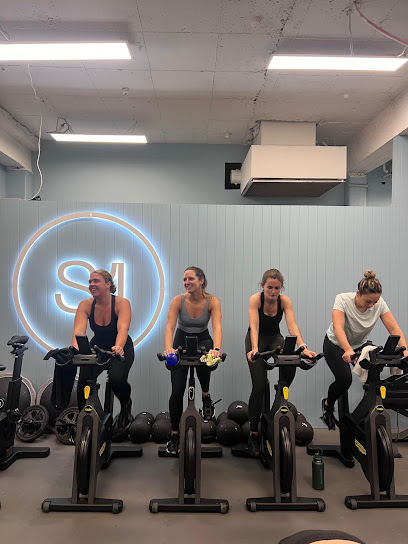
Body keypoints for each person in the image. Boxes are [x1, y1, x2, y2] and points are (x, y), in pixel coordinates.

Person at [322, 270, 408, 429]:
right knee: (344, 380)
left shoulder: (379, 303)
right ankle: (328, 404)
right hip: (335, 344)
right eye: (368, 301)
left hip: (359, 344)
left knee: (373, 379)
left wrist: (406, 353)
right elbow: (339, 328)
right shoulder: (342, 300)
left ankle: (359, 423)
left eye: (375, 302)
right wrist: (347, 350)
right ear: (358, 294)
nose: (371, 306)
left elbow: (394, 329)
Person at [246, 268, 316, 457]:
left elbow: (292, 325)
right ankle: (253, 433)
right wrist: (254, 349)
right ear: (262, 286)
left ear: (281, 288)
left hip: (274, 337)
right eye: (269, 287)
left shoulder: (284, 301)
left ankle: (280, 392)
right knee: (259, 386)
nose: (273, 291)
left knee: (291, 357)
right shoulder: (255, 300)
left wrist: (303, 347)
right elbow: (254, 326)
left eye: (277, 288)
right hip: (256, 339)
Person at [163, 266, 222, 454]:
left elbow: (217, 327)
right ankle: (174, 434)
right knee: (176, 391)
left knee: (207, 361)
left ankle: (206, 396)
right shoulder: (178, 300)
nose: (186, 282)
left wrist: (216, 349)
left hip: (203, 340)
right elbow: (170, 327)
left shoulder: (212, 301)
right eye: (184, 279)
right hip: (181, 340)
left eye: (190, 279)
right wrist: (168, 349)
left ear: (201, 281)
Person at [71, 269, 134, 428]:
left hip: (120, 347)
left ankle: (126, 405)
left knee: (116, 379)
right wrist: (75, 350)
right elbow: (79, 331)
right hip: (97, 346)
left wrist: (118, 347)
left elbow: (123, 328)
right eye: (90, 282)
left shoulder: (121, 303)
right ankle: (85, 421)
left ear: (108, 284)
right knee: (84, 383)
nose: (91, 284)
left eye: (96, 281)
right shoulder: (85, 305)